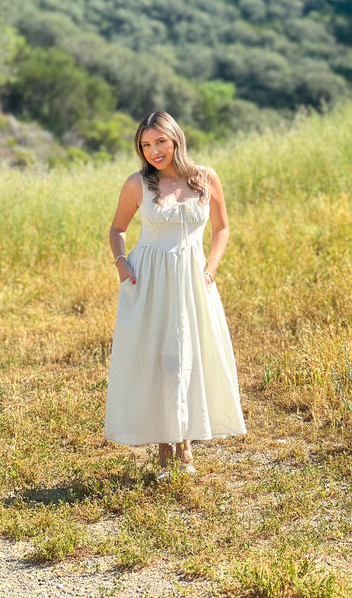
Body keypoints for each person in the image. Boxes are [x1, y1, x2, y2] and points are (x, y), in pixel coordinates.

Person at [105, 111, 246, 480]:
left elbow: (222, 229)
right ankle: (166, 451)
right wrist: (122, 264)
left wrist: (211, 269)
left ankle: (184, 447)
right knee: (159, 361)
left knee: (186, 358)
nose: (154, 151)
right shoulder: (138, 183)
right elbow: (117, 229)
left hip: (192, 278)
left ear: (176, 139)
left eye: (160, 142)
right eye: (146, 145)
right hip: (148, 278)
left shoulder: (205, 178)